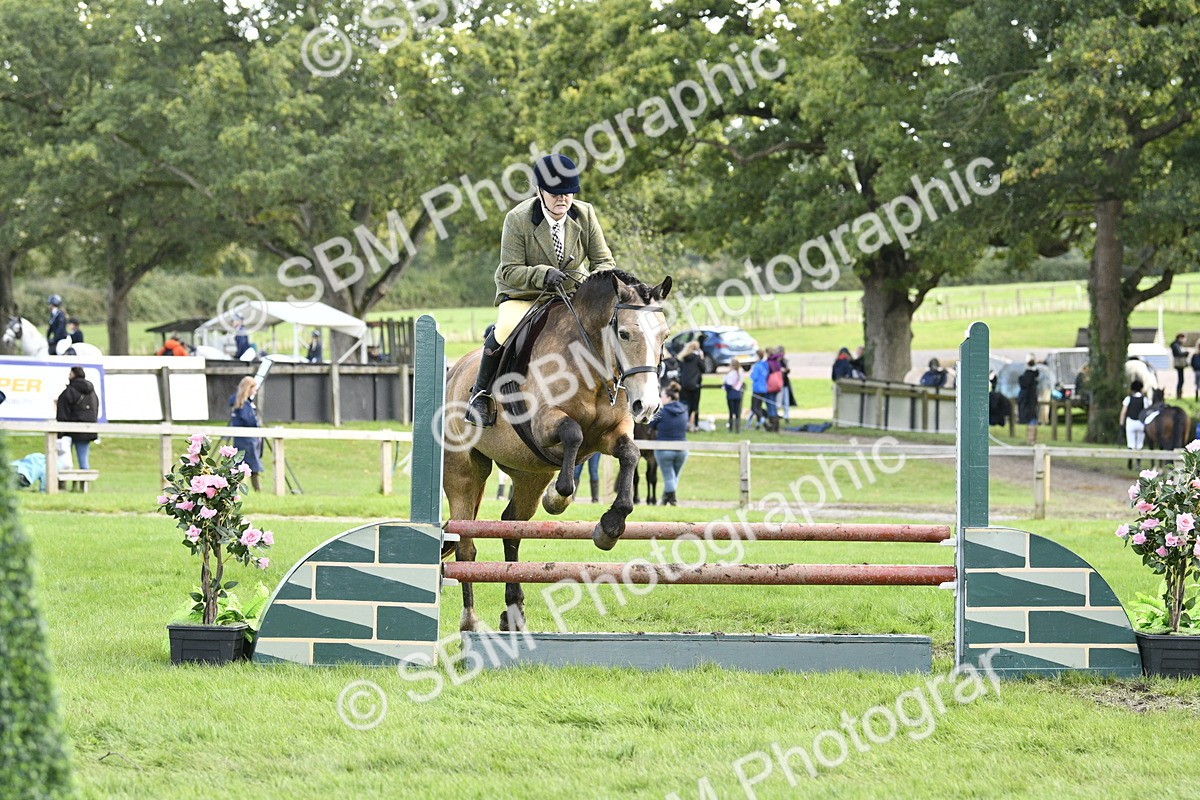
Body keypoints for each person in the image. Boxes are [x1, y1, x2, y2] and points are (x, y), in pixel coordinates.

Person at [466, 152, 616, 427]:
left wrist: (593, 287)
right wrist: (543, 274)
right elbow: (509, 269)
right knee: (504, 329)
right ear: (539, 191)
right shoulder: (518, 219)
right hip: (525, 293)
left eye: (568, 193)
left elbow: (604, 261)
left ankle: (617, 391)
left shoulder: (585, 214)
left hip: (572, 291)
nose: (562, 199)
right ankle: (480, 395)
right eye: (555, 193)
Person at [649, 382, 688, 506]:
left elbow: (651, 424)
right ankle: (666, 499)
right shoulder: (684, 410)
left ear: (669, 397)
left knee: (669, 477)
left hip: (663, 449)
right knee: (673, 477)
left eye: (662, 396)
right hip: (682, 448)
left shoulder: (662, 411)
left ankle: (672, 499)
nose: (660, 398)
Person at [55, 367, 99, 473]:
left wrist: (60, 434)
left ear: (73, 375)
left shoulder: (69, 392)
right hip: (87, 431)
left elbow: (63, 413)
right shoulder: (92, 392)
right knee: (83, 461)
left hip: (69, 432)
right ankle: (84, 486)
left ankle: (61, 485)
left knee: (63, 461)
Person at [229, 376, 263, 492]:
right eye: (254, 389)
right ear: (249, 389)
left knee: (238, 464)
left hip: (240, 439)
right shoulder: (245, 405)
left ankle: (234, 489)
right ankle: (257, 489)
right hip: (248, 440)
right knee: (252, 466)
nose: (255, 391)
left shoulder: (237, 402)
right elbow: (250, 421)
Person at [678, 340, 704, 431]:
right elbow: (703, 368)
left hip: (685, 385)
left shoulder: (683, 359)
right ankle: (695, 425)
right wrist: (702, 357)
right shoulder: (697, 358)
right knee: (695, 406)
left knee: (686, 405)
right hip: (695, 385)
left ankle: (686, 424)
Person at [1017, 355, 1040, 444]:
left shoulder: (1027, 375)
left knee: (1030, 417)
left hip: (1028, 398)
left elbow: (1024, 384)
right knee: (1032, 416)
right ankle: (1031, 439)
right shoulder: (1035, 374)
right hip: (1032, 398)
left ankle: (1030, 439)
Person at [748, 349, 769, 430]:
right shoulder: (765, 365)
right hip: (764, 388)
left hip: (757, 389)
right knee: (759, 407)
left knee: (754, 407)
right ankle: (758, 424)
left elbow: (754, 377)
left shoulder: (757, 366)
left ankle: (763, 421)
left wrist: (751, 374)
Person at [765, 347, 785, 433]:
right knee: (773, 404)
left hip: (770, 386)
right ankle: (776, 424)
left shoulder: (768, 363)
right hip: (777, 386)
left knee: (770, 405)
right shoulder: (777, 362)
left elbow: (766, 374)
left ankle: (772, 424)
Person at [723, 359, 745, 433]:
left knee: (731, 412)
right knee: (737, 412)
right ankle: (738, 429)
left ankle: (730, 428)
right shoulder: (740, 373)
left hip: (731, 395)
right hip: (738, 394)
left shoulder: (730, 374)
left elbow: (728, 385)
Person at [1171, 333, 1188, 399]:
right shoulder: (1175, 345)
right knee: (1181, 380)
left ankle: (1179, 394)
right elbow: (1178, 354)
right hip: (1179, 364)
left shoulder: (1177, 345)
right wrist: (1186, 353)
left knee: (1181, 379)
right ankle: (1178, 395)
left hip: (1180, 364)